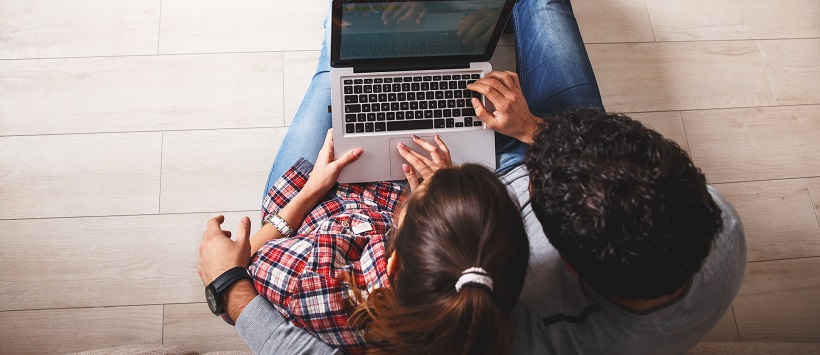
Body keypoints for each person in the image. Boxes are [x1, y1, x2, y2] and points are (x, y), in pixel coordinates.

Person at [198, 0, 747, 353]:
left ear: (557, 255)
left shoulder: (498, 323)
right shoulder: (712, 224)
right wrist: (532, 129)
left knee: (343, 60)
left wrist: (229, 290)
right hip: (482, 184)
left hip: (435, 215)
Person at [245, 128, 529, 354]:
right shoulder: (477, 307)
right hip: (373, 197)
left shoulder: (311, 286)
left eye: (416, 206)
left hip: (305, 204)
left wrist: (312, 189)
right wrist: (442, 198)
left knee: (327, 75)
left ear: (391, 264)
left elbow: (241, 263)